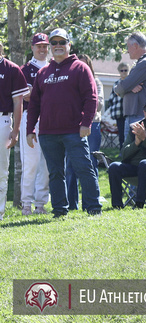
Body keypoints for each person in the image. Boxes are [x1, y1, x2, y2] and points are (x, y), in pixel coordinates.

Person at [26, 28, 101, 217]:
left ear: (69, 44)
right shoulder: (43, 72)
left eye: (61, 42)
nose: (57, 46)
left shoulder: (80, 68)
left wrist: (86, 123)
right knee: (55, 173)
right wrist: (29, 130)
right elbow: (34, 104)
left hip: (74, 131)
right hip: (48, 133)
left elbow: (91, 98)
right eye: (54, 43)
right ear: (50, 46)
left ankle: (93, 207)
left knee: (83, 168)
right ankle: (60, 210)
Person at [65, 54, 103, 210]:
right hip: (72, 127)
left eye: (85, 64)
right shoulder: (68, 81)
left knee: (90, 164)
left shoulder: (96, 82)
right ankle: (71, 205)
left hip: (92, 125)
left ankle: (90, 203)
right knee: (70, 166)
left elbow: (98, 104)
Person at [20, 33, 51, 216]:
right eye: (38, 46)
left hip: (49, 119)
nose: (42, 49)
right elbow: (25, 96)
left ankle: (40, 204)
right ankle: (26, 204)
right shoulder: (24, 70)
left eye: (44, 46)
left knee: (46, 164)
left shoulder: (53, 68)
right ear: (32, 48)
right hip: (29, 117)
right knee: (30, 163)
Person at [0, 44, 28, 221]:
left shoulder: (11, 69)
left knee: (1, 170)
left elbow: (19, 103)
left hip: (2, 120)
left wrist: (16, 130)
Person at [114, 32, 146, 139]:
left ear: (135, 46)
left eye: (128, 47)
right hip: (136, 115)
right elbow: (124, 87)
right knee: (130, 151)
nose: (127, 51)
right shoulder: (144, 62)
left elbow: (121, 87)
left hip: (139, 116)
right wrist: (130, 87)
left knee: (134, 153)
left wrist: (125, 88)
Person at [107, 62, 130, 150]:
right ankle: (122, 151)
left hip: (128, 112)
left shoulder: (130, 83)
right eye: (122, 70)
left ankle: (128, 151)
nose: (124, 72)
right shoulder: (116, 84)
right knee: (121, 134)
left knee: (128, 134)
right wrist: (112, 110)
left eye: (126, 70)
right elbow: (111, 99)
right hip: (119, 113)